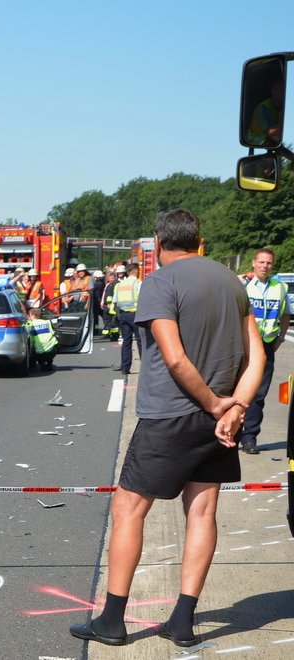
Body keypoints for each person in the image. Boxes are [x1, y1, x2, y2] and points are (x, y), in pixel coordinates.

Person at [70, 209, 264, 649]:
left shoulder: (159, 282)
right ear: (200, 240)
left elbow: (175, 358)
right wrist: (234, 410)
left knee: (128, 510)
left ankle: (113, 621)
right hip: (218, 423)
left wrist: (216, 404)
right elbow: (258, 358)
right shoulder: (233, 282)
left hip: (170, 416)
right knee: (201, 513)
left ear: (158, 244)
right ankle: (182, 620)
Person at [239, 247, 290, 454]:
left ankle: (249, 438)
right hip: (245, 344)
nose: (265, 266)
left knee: (259, 394)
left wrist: (279, 339)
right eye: (261, 262)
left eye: (268, 263)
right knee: (237, 389)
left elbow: (286, 315)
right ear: (253, 263)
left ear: (272, 265)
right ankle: (230, 434)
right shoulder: (244, 286)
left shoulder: (280, 287)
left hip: (267, 344)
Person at [113, 263, 142, 375]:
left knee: (126, 342)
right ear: (135, 270)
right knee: (140, 341)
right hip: (136, 314)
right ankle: (144, 367)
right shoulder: (138, 283)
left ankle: (125, 368)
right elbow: (143, 298)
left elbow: (115, 301)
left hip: (123, 315)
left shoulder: (120, 285)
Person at [246, 78, 284, 147]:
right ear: (273, 91)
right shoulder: (263, 108)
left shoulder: (280, 107)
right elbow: (271, 133)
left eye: (285, 89)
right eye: (281, 88)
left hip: (269, 145)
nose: (284, 92)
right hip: (255, 144)